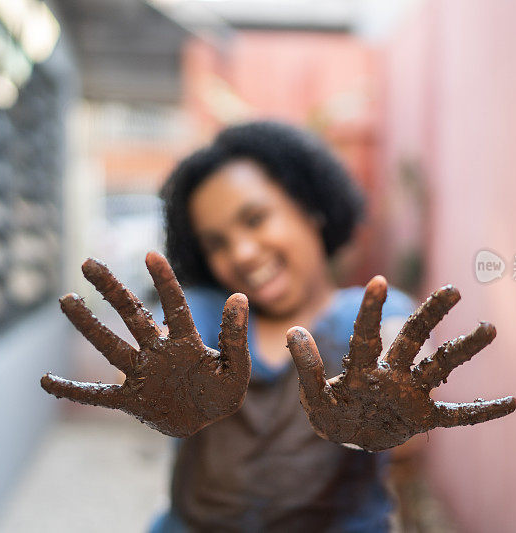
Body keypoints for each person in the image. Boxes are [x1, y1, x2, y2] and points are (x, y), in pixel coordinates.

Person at [151, 121, 416, 531]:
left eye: (255, 219)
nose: (241, 252)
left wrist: (392, 413)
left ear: (310, 207)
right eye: (216, 243)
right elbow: (161, 346)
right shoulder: (208, 315)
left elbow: (407, 400)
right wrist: (151, 375)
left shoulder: (368, 316)